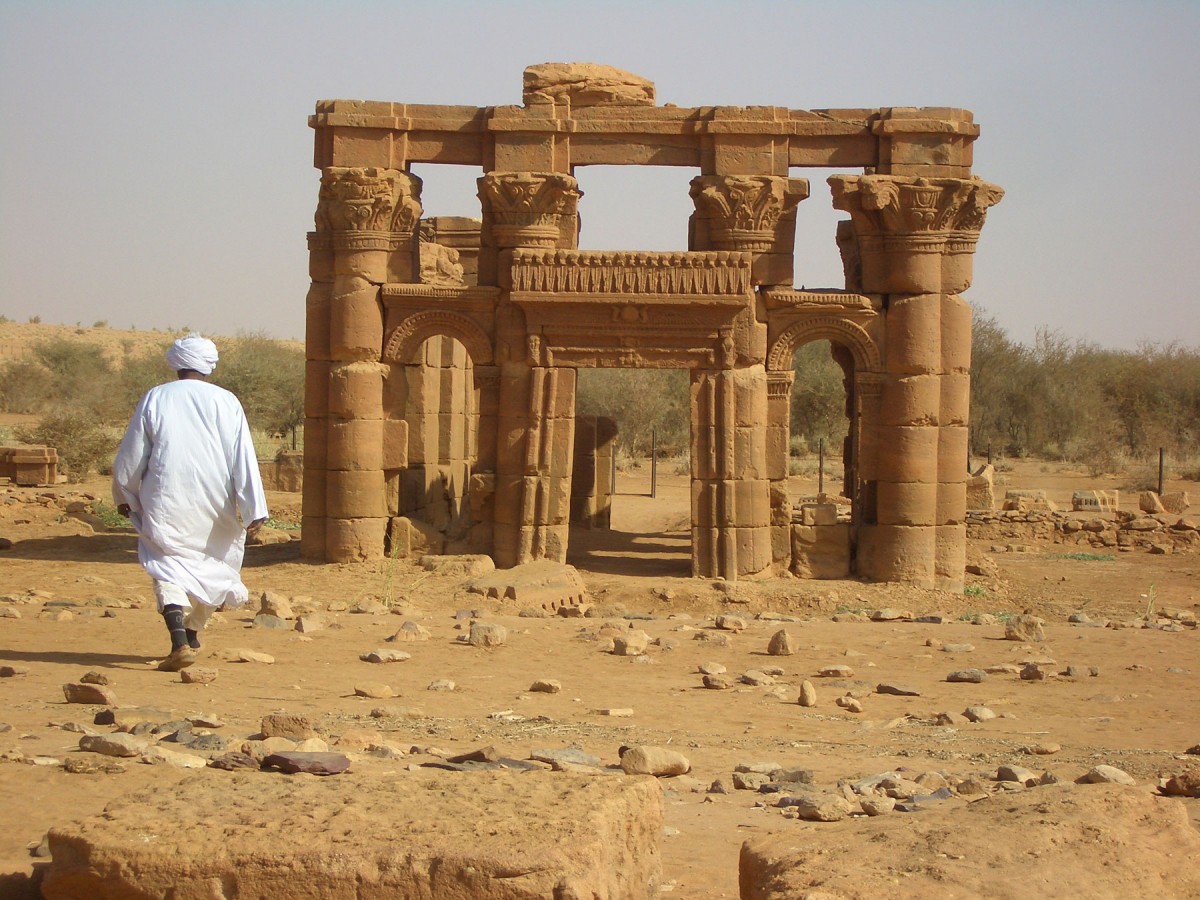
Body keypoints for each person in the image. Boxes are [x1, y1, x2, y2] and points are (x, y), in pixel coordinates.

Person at [112, 335, 268, 671]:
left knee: (165, 561)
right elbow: (243, 458)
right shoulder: (227, 401)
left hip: (166, 497)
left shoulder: (157, 397)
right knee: (216, 563)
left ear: (177, 362)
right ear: (208, 365)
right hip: (215, 501)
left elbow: (132, 454)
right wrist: (255, 508)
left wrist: (124, 493)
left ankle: (182, 639)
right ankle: (193, 630)